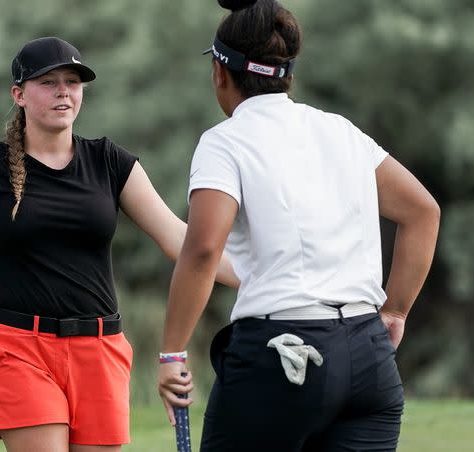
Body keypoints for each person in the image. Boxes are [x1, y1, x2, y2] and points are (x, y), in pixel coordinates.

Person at [0, 36, 238, 452]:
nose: (64, 90)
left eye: (73, 81)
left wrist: (261, 276)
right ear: (19, 94)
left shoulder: (110, 162)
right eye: (49, 82)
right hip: (18, 347)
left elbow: (181, 240)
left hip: (100, 349)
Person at [157, 1, 440, 450]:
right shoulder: (340, 130)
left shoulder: (224, 142)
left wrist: (172, 351)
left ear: (220, 73)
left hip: (280, 358)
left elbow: (204, 249)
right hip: (369, 358)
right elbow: (423, 211)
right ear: (286, 72)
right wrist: (396, 311)